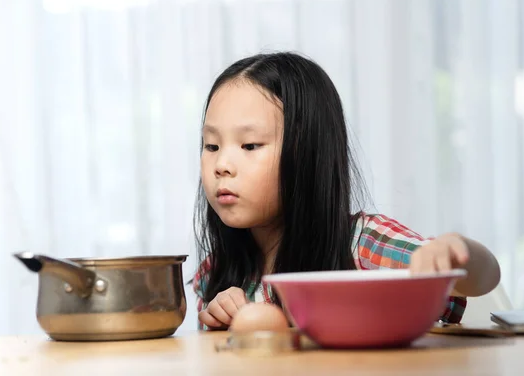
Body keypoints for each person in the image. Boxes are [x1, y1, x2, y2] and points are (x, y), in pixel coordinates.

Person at [191, 52, 501, 331]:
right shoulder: (215, 273)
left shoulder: (362, 244)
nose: (222, 164)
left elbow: (481, 279)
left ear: (307, 153)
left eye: (249, 145)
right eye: (212, 145)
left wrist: (457, 253)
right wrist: (223, 320)